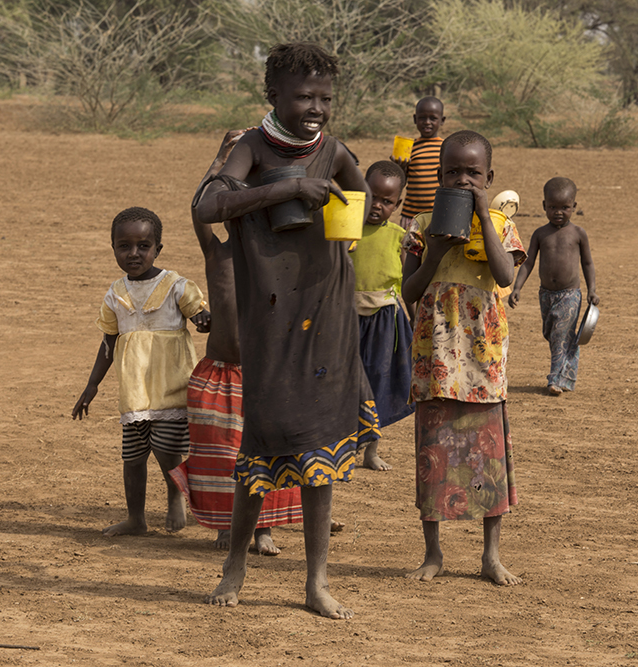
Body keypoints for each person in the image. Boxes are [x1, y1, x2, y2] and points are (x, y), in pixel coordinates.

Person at [193, 42, 378, 619]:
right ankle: (236, 563)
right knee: (264, 440)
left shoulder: (335, 150)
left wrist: (357, 214)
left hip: (326, 315)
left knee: (319, 444)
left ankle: (316, 580)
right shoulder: (252, 146)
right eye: (303, 96)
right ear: (273, 95)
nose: (316, 107)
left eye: (325, 97)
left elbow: (364, 192)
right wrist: (289, 189)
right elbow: (209, 206)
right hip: (270, 320)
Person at [169, 129, 304, 556]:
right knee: (219, 456)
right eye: (232, 207)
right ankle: (228, 525)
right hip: (218, 373)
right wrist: (221, 157)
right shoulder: (219, 254)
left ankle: (262, 528)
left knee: (263, 455)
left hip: (263, 375)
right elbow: (198, 209)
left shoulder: (280, 258)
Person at [401, 130, 526, 586]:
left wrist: (483, 217)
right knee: (434, 456)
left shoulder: (500, 224)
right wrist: (434, 250)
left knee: (486, 459)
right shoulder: (418, 225)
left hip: (482, 359)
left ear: (489, 177)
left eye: (473, 173)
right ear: (438, 175)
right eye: (452, 171)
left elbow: (504, 272)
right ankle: (433, 553)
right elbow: (409, 292)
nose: (463, 179)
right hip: (436, 359)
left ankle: (490, 555)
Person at [72, 207, 210, 537]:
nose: (134, 253)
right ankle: (136, 518)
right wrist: (91, 386)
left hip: (172, 387)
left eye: (143, 246)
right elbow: (108, 343)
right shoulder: (115, 293)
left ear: (158, 249)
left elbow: (202, 316)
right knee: (132, 459)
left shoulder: (176, 286)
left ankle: (174, 495)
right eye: (124, 246)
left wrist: (205, 319)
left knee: (166, 448)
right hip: (134, 393)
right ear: (114, 248)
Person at [350, 160, 415, 471]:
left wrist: (416, 321)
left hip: (385, 321)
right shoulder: (345, 229)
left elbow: (406, 285)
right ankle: (343, 446)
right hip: (346, 317)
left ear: (397, 204)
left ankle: (371, 451)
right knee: (344, 380)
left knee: (379, 381)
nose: (377, 206)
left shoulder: (399, 236)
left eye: (387, 201)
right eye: (371, 196)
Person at [508, 177, 598, 395]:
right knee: (553, 334)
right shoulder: (541, 234)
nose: (559, 212)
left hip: (570, 294)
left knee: (559, 334)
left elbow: (587, 263)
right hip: (546, 295)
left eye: (565, 207)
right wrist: (517, 287)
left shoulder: (578, 234)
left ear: (574, 207)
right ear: (544, 206)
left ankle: (555, 379)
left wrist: (592, 290)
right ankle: (567, 377)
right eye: (553, 207)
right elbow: (528, 262)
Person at [394, 97, 445, 233]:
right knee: (408, 251)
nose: (427, 122)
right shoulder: (410, 148)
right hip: (411, 215)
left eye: (433, 118)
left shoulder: (446, 148)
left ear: (442, 120)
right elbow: (401, 184)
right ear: (415, 119)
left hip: (438, 214)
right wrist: (400, 169)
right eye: (422, 118)